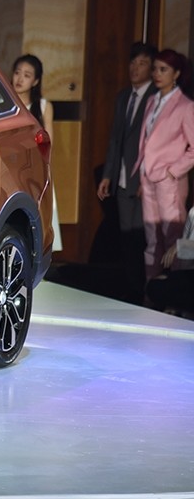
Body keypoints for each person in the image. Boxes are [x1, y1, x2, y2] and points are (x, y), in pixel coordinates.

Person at [96, 42, 157, 303]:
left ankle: (147, 291)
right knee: (126, 237)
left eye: (142, 63)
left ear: (152, 68)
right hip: (122, 177)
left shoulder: (156, 97)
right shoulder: (123, 97)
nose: (135, 68)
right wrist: (108, 174)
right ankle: (133, 290)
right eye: (133, 62)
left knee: (142, 237)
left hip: (144, 178)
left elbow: (153, 143)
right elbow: (115, 139)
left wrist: (146, 177)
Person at [136, 48, 194, 282]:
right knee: (152, 239)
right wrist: (142, 172)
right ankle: (150, 291)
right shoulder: (152, 100)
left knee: (174, 239)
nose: (157, 74)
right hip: (148, 176)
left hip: (169, 180)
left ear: (176, 73)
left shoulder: (185, 106)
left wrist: (173, 171)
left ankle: (178, 289)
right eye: (155, 69)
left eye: (163, 69)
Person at [13, 53, 61, 251]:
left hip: (34, 169)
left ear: (35, 81)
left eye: (27, 75)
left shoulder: (43, 106)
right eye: (17, 73)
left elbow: (48, 143)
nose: (20, 79)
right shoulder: (4, 103)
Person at [145, 203, 194, 317]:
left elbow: (184, 247)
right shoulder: (192, 212)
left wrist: (181, 246)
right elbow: (185, 259)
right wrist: (174, 278)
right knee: (155, 286)